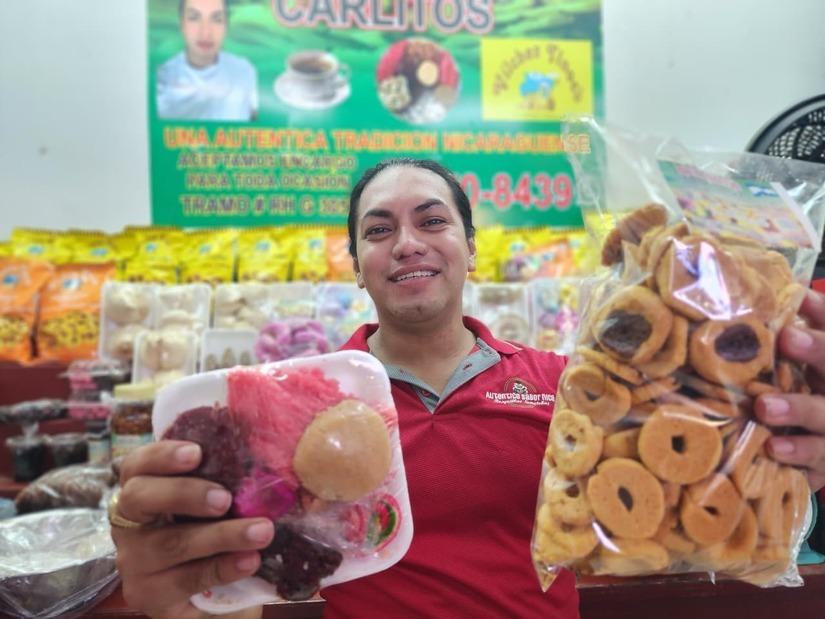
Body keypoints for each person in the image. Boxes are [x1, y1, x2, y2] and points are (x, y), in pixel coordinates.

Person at [110, 158, 825, 619]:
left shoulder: (570, 384)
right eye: (378, 230)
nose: (407, 242)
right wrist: (174, 593)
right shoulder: (305, 408)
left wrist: (783, 447)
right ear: (356, 264)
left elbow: (695, 486)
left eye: (432, 220)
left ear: (471, 246)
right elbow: (240, 577)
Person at [156, 0, 258, 121]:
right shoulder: (162, 77)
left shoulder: (244, 72)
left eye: (217, 19)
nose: (206, 33)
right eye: (194, 18)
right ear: (181, 24)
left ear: (226, 26)